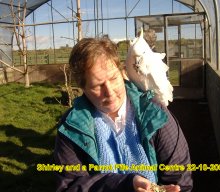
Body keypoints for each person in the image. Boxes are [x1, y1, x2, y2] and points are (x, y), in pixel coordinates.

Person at [54, 37, 193, 192]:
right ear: (83, 88)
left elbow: (181, 179)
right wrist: (124, 185)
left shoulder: (155, 114)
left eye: (113, 78)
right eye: (97, 85)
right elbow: (70, 186)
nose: (110, 92)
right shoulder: (72, 127)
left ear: (122, 72)